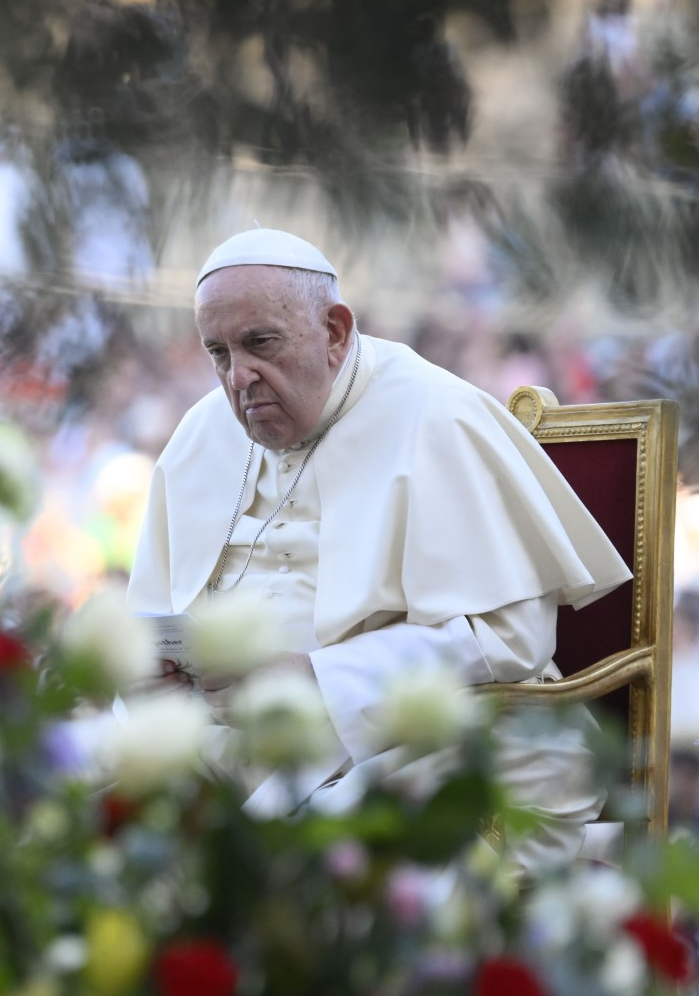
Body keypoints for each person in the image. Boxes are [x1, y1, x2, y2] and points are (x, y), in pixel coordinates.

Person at [125, 229, 630, 870]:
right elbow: (155, 617)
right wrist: (156, 678)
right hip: (243, 741)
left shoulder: (436, 415)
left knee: (316, 856)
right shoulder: (203, 432)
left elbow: (508, 640)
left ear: (335, 331)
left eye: (260, 343)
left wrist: (315, 679)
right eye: (217, 353)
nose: (238, 377)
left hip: (412, 737)